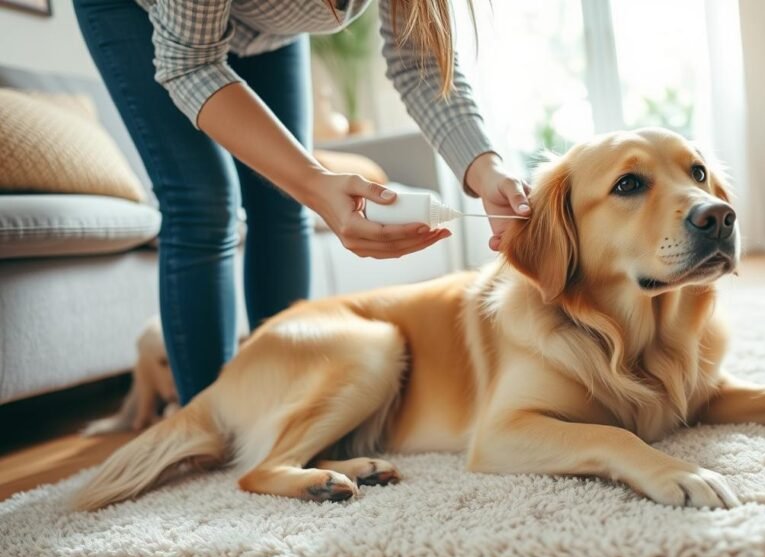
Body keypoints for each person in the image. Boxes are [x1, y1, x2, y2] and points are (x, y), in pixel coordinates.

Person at [73, 0, 530, 405]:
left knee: (284, 205)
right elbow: (190, 63)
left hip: (269, 28)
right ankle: (203, 425)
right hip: (140, 14)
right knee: (203, 203)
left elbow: (421, 63)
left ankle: (279, 397)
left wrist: (483, 167)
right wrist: (314, 182)